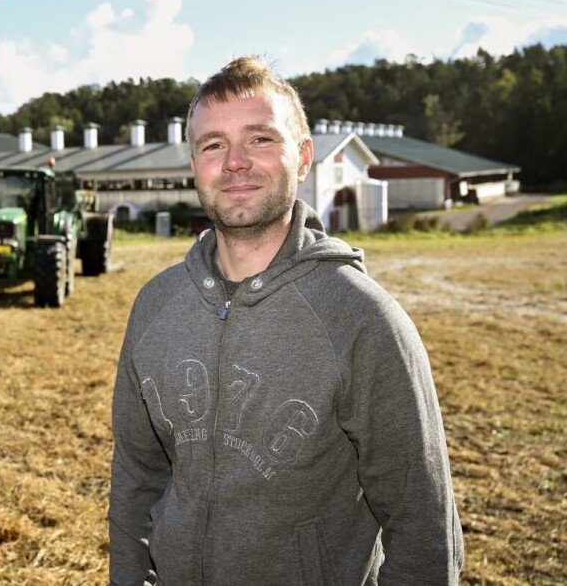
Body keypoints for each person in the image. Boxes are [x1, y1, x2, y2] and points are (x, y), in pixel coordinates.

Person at [108, 56, 464, 585]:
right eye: (213, 145)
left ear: (302, 159)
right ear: (194, 165)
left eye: (259, 139)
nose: (234, 162)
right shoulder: (156, 307)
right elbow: (137, 478)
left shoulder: (363, 320)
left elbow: (424, 529)